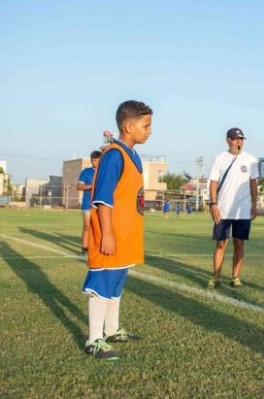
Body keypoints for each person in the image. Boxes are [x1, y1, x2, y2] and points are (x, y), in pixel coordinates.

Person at [82, 100, 153, 359]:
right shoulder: (114, 155)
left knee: (117, 282)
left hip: (127, 233)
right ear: (128, 125)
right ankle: (94, 339)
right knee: (102, 282)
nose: (150, 130)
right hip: (112, 233)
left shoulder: (133, 155)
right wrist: (108, 234)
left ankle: (111, 330)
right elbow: (102, 198)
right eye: (145, 125)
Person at [206, 127, 259, 289]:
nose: (239, 142)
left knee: (239, 243)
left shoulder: (251, 160)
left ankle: (235, 277)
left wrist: (254, 205)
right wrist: (213, 204)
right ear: (228, 140)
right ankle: (216, 277)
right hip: (223, 209)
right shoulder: (220, 159)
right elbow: (213, 183)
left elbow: (253, 183)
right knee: (221, 243)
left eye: (241, 139)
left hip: (242, 210)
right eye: (236, 139)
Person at [77, 150, 102, 257]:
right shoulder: (85, 172)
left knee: (100, 227)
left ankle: (98, 248)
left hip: (101, 204)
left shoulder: (105, 172)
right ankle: (84, 249)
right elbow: (79, 186)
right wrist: (91, 186)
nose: (95, 162)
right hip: (88, 203)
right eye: (93, 160)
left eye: (97, 160)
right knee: (87, 226)